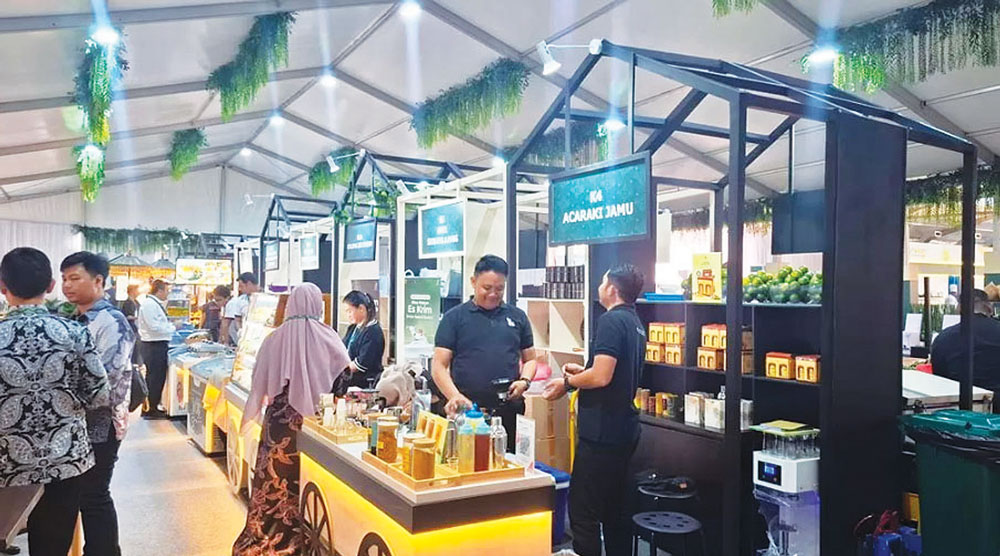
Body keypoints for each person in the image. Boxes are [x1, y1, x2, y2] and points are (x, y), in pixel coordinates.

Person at [0, 247, 109, 556]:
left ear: (3, 287)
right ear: (50, 286)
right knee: (53, 545)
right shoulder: (74, 333)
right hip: (64, 459)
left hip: (6, 461)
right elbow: (100, 394)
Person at [232, 283, 350, 556]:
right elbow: (344, 376)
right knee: (307, 478)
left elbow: (258, 380)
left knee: (273, 479)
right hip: (314, 423)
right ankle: (304, 538)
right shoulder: (329, 337)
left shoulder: (273, 339)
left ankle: (265, 536)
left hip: (278, 425)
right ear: (318, 305)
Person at [543, 264, 646, 556]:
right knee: (615, 509)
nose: (599, 287)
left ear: (612, 288)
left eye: (602, 282)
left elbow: (601, 377)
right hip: (624, 430)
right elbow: (612, 372)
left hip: (602, 433)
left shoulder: (610, 320)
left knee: (583, 511)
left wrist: (567, 383)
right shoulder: (635, 323)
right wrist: (582, 372)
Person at [61, 251, 135, 556]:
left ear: (99, 280)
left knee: (94, 496)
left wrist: (61, 397)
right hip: (75, 424)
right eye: (64, 279)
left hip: (101, 424)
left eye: (74, 278)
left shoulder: (112, 321)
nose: (67, 285)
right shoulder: (75, 319)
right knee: (81, 495)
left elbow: (105, 380)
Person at [432, 254, 536, 449]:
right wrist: (455, 396)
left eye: (499, 289)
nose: (493, 294)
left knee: (506, 461)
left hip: (507, 411)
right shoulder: (454, 318)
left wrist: (525, 381)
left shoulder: (517, 317)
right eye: (487, 288)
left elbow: (530, 359)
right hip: (467, 412)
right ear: (473, 282)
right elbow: (439, 366)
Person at [931, 288, 1000, 411]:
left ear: (959, 309)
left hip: (960, 409)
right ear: (989, 307)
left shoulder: (943, 338)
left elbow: (940, 379)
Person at [137, 279, 176, 419]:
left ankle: (152, 406)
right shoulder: (149, 305)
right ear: (159, 290)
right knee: (153, 378)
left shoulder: (153, 304)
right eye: (166, 291)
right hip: (153, 345)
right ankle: (149, 409)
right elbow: (154, 326)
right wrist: (172, 327)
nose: (167, 294)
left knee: (157, 378)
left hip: (157, 344)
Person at [342, 290, 386, 389]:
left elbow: (361, 364)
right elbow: (342, 348)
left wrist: (341, 369)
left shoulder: (373, 332)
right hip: (349, 380)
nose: (348, 315)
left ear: (361, 308)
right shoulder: (353, 328)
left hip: (364, 384)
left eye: (350, 311)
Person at [222, 273, 259, 347]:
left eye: (241, 286)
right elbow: (237, 319)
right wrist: (240, 331)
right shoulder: (240, 301)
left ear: (249, 284)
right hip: (247, 337)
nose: (240, 289)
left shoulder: (266, 298)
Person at [121, 284, 142, 364]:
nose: (138, 292)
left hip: (137, 327)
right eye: (137, 290)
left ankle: (137, 362)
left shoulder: (137, 302)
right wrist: (135, 318)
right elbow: (125, 316)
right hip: (131, 327)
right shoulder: (127, 303)